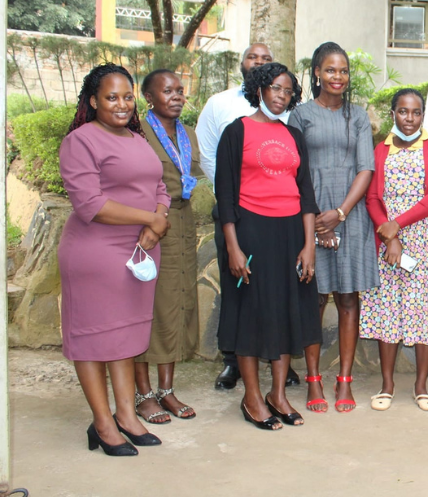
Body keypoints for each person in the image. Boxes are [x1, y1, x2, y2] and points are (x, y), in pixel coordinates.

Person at [58, 63, 170, 455]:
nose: (121, 105)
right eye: (111, 97)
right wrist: (150, 219)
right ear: (93, 101)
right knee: (93, 340)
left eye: (127, 97)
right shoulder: (81, 141)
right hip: (95, 255)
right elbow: (90, 203)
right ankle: (103, 424)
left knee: (122, 337)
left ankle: (127, 416)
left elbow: (159, 185)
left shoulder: (137, 139)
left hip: (137, 251)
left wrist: (158, 222)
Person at [214, 63, 322, 431]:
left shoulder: (294, 135)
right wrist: (233, 247)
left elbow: (306, 194)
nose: (281, 95)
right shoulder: (236, 132)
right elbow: (224, 196)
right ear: (259, 88)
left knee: (286, 312)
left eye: (288, 91)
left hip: (291, 232)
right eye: (275, 88)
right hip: (251, 232)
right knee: (252, 314)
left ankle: (278, 395)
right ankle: (252, 397)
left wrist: (308, 245)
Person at [194, 43, 300, 390]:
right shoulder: (222, 107)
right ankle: (234, 363)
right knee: (241, 292)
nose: (280, 95)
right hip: (240, 216)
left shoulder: (289, 122)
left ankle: (276, 363)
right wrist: (236, 195)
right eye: (254, 58)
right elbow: (212, 156)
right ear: (254, 78)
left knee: (278, 296)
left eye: (266, 58)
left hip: (283, 223)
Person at [288, 42, 379, 414]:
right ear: (316, 74)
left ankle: (344, 381)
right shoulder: (300, 115)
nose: (337, 77)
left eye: (343, 71)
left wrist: (339, 214)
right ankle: (313, 379)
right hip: (310, 215)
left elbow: (366, 169)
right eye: (330, 70)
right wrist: (318, 220)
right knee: (315, 298)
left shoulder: (357, 116)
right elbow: (296, 171)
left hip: (350, 215)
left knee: (347, 299)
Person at [361, 89, 428, 412]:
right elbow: (372, 198)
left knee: (425, 313)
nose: (410, 119)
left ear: (423, 114)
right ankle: (386, 385)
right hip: (388, 244)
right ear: (393, 114)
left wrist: (397, 225)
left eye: (416, 113)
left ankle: (421, 386)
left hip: (425, 243)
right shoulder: (379, 151)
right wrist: (390, 236)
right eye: (403, 112)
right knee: (389, 311)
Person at [133, 70, 204, 425]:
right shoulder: (137, 133)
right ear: (149, 96)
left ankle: (166, 389)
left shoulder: (187, 134)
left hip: (183, 221)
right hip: (150, 224)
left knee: (177, 303)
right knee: (150, 305)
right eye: (167, 91)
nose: (177, 96)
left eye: (180, 90)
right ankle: (143, 393)